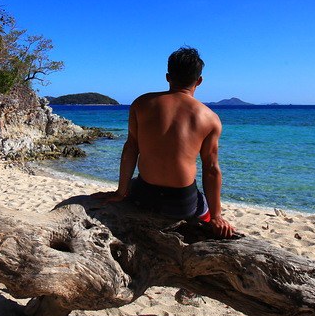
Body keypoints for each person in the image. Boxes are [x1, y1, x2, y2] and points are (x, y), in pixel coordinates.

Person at [95, 46, 235, 238]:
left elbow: (131, 148)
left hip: (143, 196)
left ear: (168, 77)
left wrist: (121, 192)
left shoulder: (141, 103)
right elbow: (211, 169)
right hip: (181, 204)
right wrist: (217, 216)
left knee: (138, 182)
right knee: (204, 208)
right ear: (199, 80)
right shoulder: (210, 118)